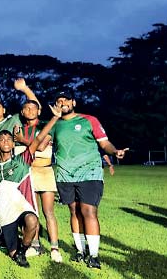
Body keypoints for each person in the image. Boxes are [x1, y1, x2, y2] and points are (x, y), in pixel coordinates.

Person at [51, 91, 127, 269]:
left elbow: (104, 143)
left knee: (89, 211)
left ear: (73, 102)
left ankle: (93, 255)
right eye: (59, 101)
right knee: (74, 211)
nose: (63, 103)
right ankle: (80, 251)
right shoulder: (55, 124)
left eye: (66, 100)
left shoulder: (89, 120)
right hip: (65, 174)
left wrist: (115, 151)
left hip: (89, 172)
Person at [0, 104, 60, 267]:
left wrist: (55, 118)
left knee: (32, 220)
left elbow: (38, 139)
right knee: (12, 254)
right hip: (5, 211)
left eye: (9, 139)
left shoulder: (22, 160)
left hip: (21, 206)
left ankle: (24, 249)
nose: (6, 142)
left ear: (13, 144)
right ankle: (13, 247)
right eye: (2, 140)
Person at [14, 97, 62, 262]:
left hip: (44, 172)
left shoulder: (45, 126)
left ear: (38, 111)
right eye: (26, 108)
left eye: (33, 108)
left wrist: (22, 140)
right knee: (32, 211)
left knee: (48, 211)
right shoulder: (19, 128)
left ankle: (54, 248)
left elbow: (40, 146)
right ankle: (34, 245)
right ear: (22, 112)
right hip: (28, 173)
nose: (30, 111)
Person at [0, 78, 37, 161]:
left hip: (14, 159)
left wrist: (24, 88)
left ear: (4, 110)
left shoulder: (14, 119)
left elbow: (34, 108)